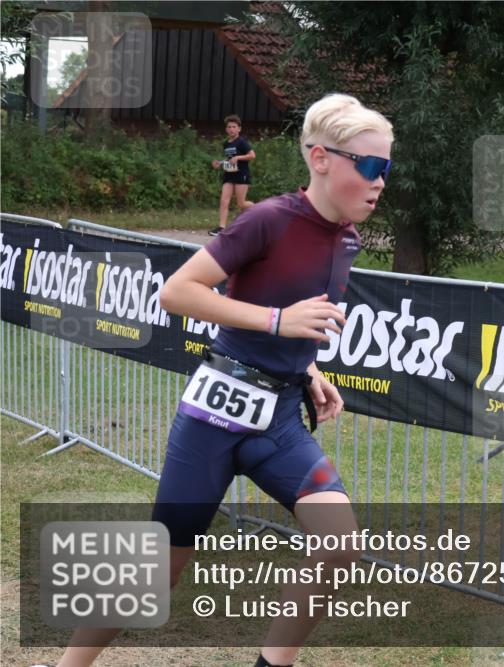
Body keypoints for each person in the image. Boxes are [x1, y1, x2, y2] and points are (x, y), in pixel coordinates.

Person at [49, 94, 393, 667]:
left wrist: (308, 369)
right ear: (321, 159)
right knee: (158, 574)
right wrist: (279, 322)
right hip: (215, 415)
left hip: (279, 418)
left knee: (339, 544)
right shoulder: (267, 219)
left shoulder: (349, 240)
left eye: (387, 168)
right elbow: (178, 291)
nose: (381, 181)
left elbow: (279, 307)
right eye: (371, 165)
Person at [210, 114, 257, 236]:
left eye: (234, 126)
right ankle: (221, 227)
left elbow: (252, 155)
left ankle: (259, 210)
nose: (231, 129)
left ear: (239, 129)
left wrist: (238, 158)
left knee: (241, 204)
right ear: (226, 129)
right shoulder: (226, 143)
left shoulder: (242, 142)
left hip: (241, 175)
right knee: (224, 201)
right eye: (229, 127)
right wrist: (219, 163)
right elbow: (229, 158)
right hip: (229, 175)